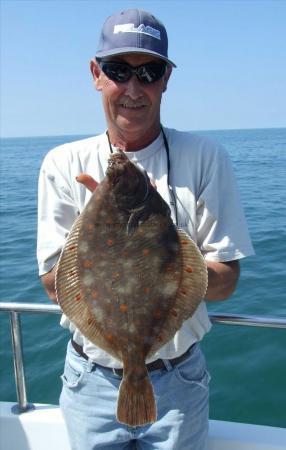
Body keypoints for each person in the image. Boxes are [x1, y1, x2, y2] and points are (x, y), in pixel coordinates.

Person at [37, 8, 254, 450]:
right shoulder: (62, 164)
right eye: (119, 70)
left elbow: (227, 281)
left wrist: (163, 259)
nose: (134, 88)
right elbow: (52, 285)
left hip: (180, 381)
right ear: (96, 74)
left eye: (149, 72)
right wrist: (101, 229)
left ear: (166, 79)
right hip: (89, 382)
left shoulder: (206, 157)